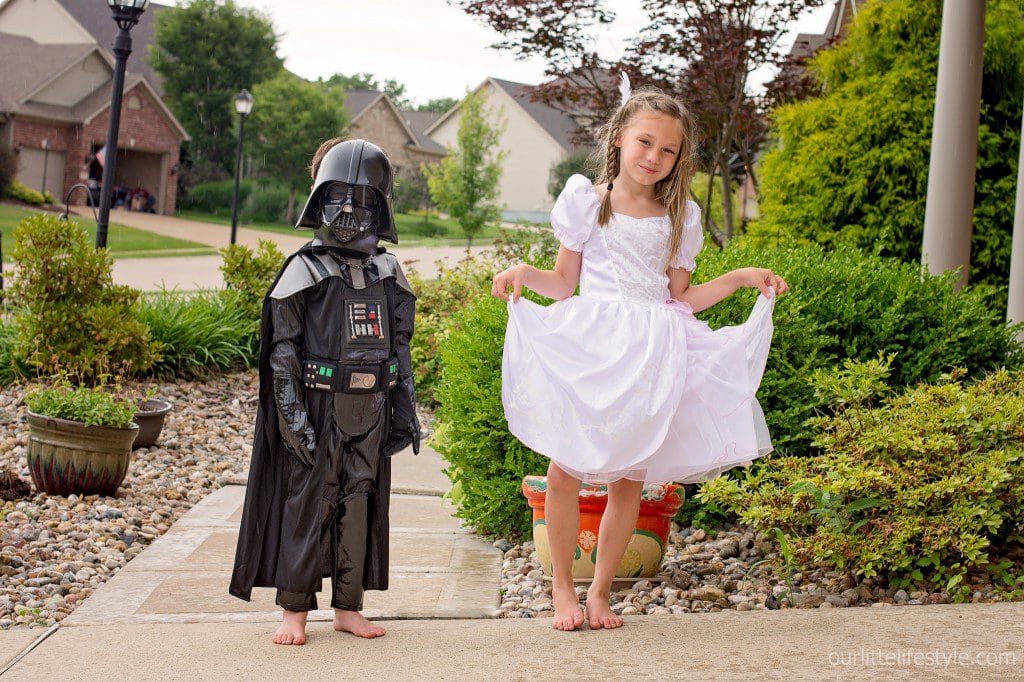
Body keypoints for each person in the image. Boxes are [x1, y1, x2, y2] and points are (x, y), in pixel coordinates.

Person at [491, 78, 789, 632]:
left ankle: (601, 592)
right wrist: (520, 275)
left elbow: (682, 297)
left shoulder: (679, 218)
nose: (654, 157)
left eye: (668, 149)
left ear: (680, 158)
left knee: (629, 477)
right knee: (565, 469)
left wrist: (741, 278)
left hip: (651, 353)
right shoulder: (589, 203)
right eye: (645, 142)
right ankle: (563, 588)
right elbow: (561, 283)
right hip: (595, 346)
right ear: (619, 139)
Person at [229, 138, 421, 645]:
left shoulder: (388, 271)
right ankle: (294, 610)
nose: (352, 211)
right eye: (340, 196)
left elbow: (400, 347)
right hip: (316, 405)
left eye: (363, 198)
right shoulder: (304, 270)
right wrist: (292, 417)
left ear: (380, 203)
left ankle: (348, 605)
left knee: (359, 501)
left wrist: (405, 408)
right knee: (308, 500)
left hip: (371, 406)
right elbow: (282, 354)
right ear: (320, 198)